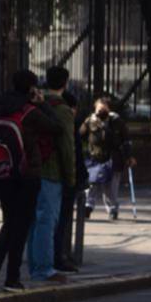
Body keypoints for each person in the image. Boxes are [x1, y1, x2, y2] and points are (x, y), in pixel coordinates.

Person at [0, 71, 62, 292]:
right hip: (27, 174)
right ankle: (12, 277)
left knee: (8, 223)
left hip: (3, 171)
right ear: (31, 88)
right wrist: (42, 104)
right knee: (21, 226)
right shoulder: (30, 111)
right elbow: (56, 126)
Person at [28, 66, 75, 284]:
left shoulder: (34, 102)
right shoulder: (62, 109)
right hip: (52, 169)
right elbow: (67, 146)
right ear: (65, 83)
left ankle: (34, 264)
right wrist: (71, 176)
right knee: (47, 220)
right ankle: (43, 268)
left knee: (35, 221)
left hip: (32, 167)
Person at [80, 97, 135, 220]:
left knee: (110, 187)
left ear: (109, 109)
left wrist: (129, 156)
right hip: (95, 157)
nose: (101, 111)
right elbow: (80, 135)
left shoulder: (117, 122)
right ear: (95, 108)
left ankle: (112, 209)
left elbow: (126, 140)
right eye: (99, 108)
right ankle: (88, 207)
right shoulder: (90, 121)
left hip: (113, 158)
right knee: (92, 184)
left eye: (104, 108)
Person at [54, 91, 86, 272]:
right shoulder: (68, 121)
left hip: (48, 176)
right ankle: (58, 256)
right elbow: (72, 152)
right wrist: (75, 177)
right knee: (60, 221)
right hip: (64, 177)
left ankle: (53, 256)